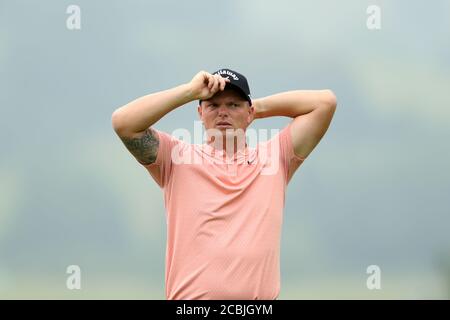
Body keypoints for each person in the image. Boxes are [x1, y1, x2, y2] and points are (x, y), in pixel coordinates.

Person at [111, 68, 337, 300]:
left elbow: (325, 102)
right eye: (213, 105)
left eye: (233, 105)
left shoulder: (275, 157)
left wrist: (256, 108)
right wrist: (189, 91)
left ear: (250, 113)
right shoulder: (176, 158)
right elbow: (123, 122)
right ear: (200, 112)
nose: (223, 113)